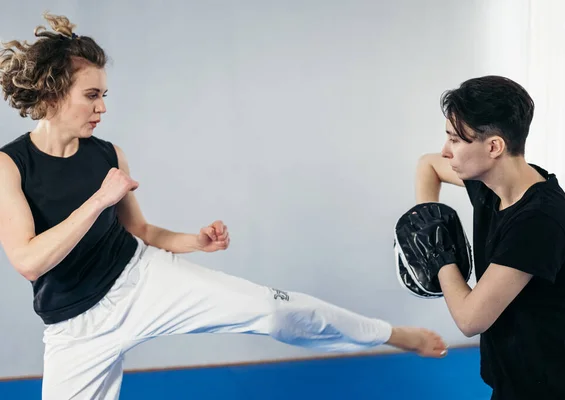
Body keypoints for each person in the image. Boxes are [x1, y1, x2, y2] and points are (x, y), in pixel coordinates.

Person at [0, 13, 447, 400]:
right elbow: (28, 261)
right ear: (53, 93)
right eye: (91, 95)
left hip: (140, 279)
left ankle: (393, 335)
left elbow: (142, 232)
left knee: (275, 310)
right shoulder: (10, 165)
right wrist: (99, 200)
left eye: (104, 96)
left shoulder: (106, 154)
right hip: (77, 326)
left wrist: (194, 242)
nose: (101, 108)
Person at [414, 75, 565, 399]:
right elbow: (426, 165)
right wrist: (429, 216)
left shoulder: (538, 221)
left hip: (560, 390)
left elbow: (471, 319)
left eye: (455, 140)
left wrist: (438, 250)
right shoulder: (492, 184)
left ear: (494, 146)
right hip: (515, 381)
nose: (446, 151)